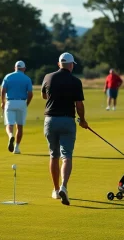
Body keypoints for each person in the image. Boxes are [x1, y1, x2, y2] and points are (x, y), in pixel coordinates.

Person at [41, 52, 88, 206]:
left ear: (58, 64)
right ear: (71, 65)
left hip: (50, 120)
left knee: (53, 155)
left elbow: (44, 96)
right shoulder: (75, 81)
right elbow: (79, 104)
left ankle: (55, 190)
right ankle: (64, 187)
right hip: (67, 121)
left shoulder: (48, 77)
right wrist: (83, 120)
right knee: (66, 156)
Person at [1, 61, 33, 154]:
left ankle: (10, 135)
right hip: (21, 102)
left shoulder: (8, 76)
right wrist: (26, 104)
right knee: (19, 127)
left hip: (10, 102)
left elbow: (3, 90)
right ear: (24, 68)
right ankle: (17, 148)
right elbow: (30, 94)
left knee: (9, 124)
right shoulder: (27, 79)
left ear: (15, 67)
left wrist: (2, 102)